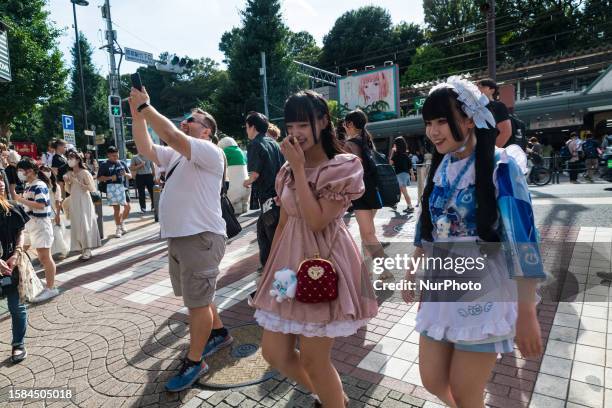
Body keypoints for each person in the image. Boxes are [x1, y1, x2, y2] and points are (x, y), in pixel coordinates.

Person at [403, 77, 544, 407]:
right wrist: (412, 270)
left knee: (467, 393)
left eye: (441, 121)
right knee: (432, 380)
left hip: (484, 288)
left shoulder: (501, 166)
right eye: (428, 123)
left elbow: (522, 240)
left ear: (469, 119)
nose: (433, 131)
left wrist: (526, 312)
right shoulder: (439, 167)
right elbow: (428, 227)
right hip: (440, 285)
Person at [253, 90, 378, 408]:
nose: (295, 133)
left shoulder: (343, 166)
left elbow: (317, 220)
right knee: (274, 352)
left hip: (323, 264)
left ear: (323, 121)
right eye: (291, 126)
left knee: (314, 359)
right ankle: (335, 398)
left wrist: (297, 168)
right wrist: (268, 272)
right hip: (286, 266)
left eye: (303, 125)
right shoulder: (286, 170)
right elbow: (284, 221)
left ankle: (334, 401)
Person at [128, 86, 231, 392]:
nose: (186, 121)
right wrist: (137, 116)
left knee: (196, 304)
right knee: (200, 296)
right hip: (182, 239)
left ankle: (195, 360)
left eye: (192, 119)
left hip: (200, 238)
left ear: (207, 130)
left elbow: (172, 135)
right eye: (185, 118)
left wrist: (146, 107)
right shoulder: (176, 156)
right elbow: (147, 148)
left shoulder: (210, 151)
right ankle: (219, 333)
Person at [343, 109, 393, 280]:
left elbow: (351, 170)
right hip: (373, 191)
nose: (344, 127)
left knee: (368, 234)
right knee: (367, 234)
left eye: (345, 124)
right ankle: (368, 270)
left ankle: (386, 269)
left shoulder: (350, 144)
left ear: (350, 124)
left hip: (361, 193)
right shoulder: (366, 141)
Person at [243, 111, 285, 269]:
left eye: (247, 127)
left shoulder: (255, 144)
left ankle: (275, 267)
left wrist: (246, 182)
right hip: (279, 193)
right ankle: (267, 264)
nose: (246, 130)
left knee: (271, 231)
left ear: (252, 127)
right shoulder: (273, 142)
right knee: (262, 229)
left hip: (267, 196)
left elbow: (254, 174)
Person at [14, 157, 59, 303]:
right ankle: (26, 283)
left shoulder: (39, 185)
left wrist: (20, 200)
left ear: (30, 171)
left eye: (21, 170)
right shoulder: (29, 185)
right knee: (21, 251)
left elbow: (41, 205)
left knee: (44, 257)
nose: (19, 173)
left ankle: (51, 288)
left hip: (40, 224)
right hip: (30, 224)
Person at [0, 176, 29, 363]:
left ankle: (18, 343)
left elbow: (20, 231)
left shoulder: (11, 208)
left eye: (0, 179)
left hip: (11, 264)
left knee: (16, 307)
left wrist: (17, 253)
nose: (1, 183)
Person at [63, 151, 101, 260]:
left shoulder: (85, 172)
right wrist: (67, 182)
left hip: (84, 199)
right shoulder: (69, 173)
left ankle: (88, 249)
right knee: (77, 223)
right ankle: (82, 248)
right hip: (74, 199)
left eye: (72, 158)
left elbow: (91, 188)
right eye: (68, 158)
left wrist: (78, 181)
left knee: (85, 222)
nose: (70, 160)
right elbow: (68, 190)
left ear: (78, 160)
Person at [98, 146, 131, 238]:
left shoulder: (122, 163)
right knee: (117, 210)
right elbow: (99, 178)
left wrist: (125, 174)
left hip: (123, 187)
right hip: (111, 188)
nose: (116, 157)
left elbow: (131, 175)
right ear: (108, 155)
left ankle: (121, 222)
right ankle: (118, 228)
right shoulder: (104, 165)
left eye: (117, 155)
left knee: (128, 207)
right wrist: (110, 178)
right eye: (113, 156)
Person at [40, 165, 69, 259]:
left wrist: (57, 215)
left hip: (53, 212)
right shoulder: (38, 184)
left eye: (47, 170)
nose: (45, 172)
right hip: (42, 213)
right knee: (46, 235)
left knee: (57, 233)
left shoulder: (55, 186)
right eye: (43, 170)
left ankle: (64, 250)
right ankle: (47, 256)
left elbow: (58, 201)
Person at [218, 136, 250, 214]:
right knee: (243, 205)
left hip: (234, 188)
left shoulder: (224, 152)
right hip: (246, 186)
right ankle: (244, 206)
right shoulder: (241, 151)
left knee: (234, 205)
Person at [477, 79, 512, 148]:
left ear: (492, 90)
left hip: (489, 152)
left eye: (481, 87)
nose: (478, 89)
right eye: (477, 87)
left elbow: (506, 132)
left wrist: (490, 151)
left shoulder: (498, 106)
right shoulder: (475, 107)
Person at [390, 137, 414, 213]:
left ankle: (410, 207)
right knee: (399, 190)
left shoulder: (396, 155)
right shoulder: (405, 155)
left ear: (396, 145)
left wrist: (392, 152)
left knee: (404, 191)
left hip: (400, 175)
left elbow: (390, 163)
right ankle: (395, 204)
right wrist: (412, 175)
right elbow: (410, 166)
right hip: (405, 174)